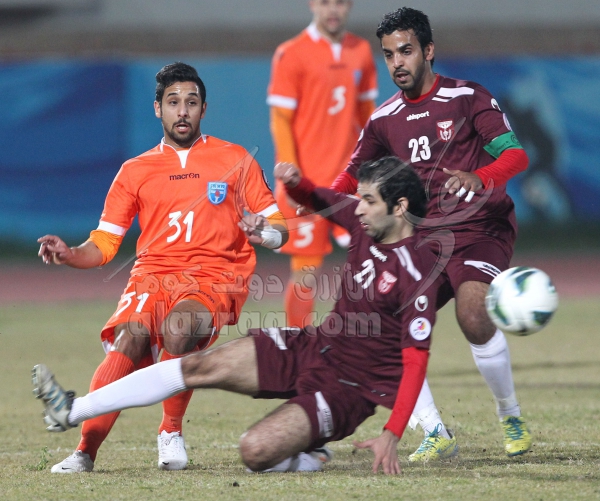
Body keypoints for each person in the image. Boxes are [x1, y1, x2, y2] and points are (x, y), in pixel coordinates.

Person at [33, 156, 444, 475]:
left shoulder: (418, 271)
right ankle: (72, 410)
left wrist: (392, 433)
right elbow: (319, 199)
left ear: (400, 207)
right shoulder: (363, 222)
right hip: (313, 346)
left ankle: (311, 454)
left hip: (348, 389)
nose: (359, 209)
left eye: (369, 201)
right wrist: (295, 183)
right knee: (197, 366)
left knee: (254, 451)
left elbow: (415, 362)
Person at [36, 62, 288, 473]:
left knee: (179, 328)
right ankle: (85, 451)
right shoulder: (135, 170)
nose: (182, 111)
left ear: (204, 108)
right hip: (152, 275)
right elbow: (104, 243)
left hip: (213, 277)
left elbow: (278, 226)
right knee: (130, 340)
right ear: (158, 109)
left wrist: (267, 233)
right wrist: (70, 254)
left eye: (191, 102)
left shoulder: (235, 159)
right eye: (173, 102)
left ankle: (170, 431)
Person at [332, 7, 531, 461]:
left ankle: (510, 414)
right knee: (380, 327)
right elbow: (349, 176)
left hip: (480, 228)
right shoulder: (384, 118)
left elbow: (515, 155)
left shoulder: (467, 97)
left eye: (405, 51)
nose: (397, 62)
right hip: (423, 242)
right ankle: (435, 432)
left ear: (428, 51)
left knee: (473, 312)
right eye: (388, 55)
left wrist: (480, 177)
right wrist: (313, 197)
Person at [267, 0, 378, 328]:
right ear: (313, 5)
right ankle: (297, 344)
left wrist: (378, 162)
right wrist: (291, 172)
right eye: (326, 2)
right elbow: (281, 118)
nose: (333, 9)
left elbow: (367, 115)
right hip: (308, 182)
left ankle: (371, 343)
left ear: (349, 6)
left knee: (374, 260)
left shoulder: (361, 51)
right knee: (306, 270)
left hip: (350, 181)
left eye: (339, 2)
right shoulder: (291, 53)